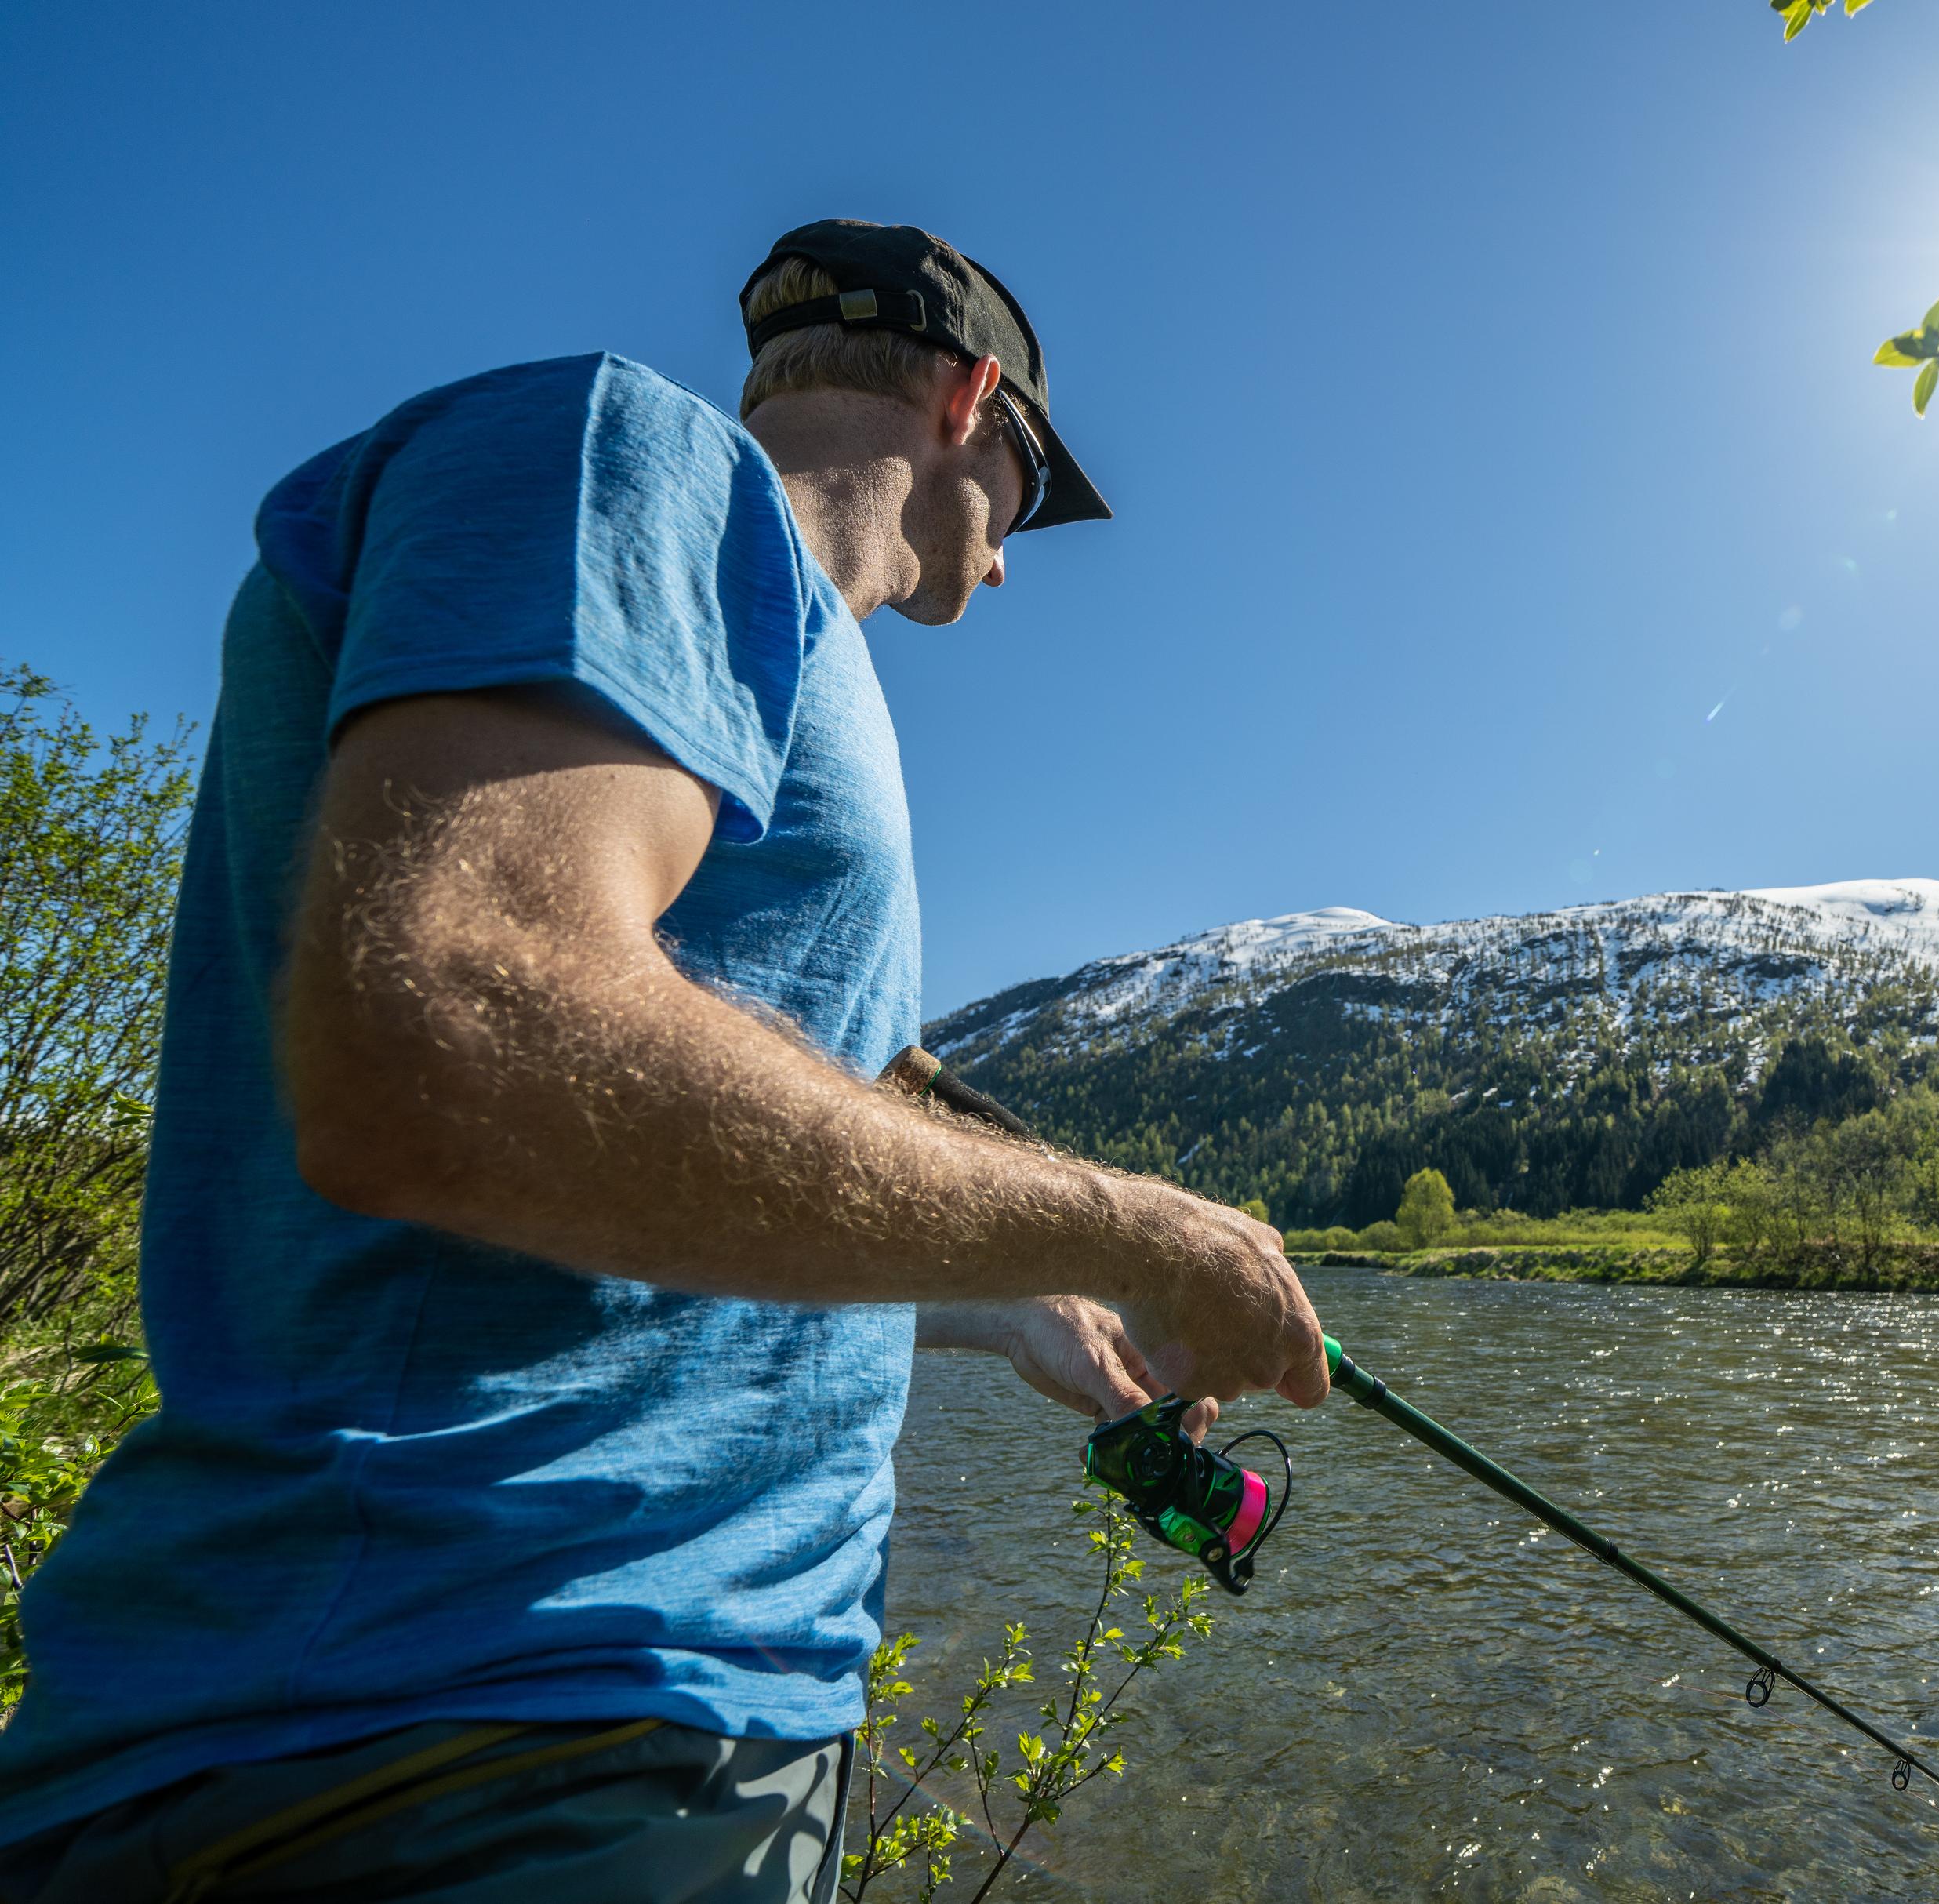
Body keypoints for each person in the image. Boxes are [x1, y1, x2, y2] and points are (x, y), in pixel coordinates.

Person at [0, 219, 1327, 1902]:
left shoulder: (746, 624)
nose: (1007, 558)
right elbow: (459, 1037)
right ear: (968, 396)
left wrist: (998, 1295)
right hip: (488, 1728)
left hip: (589, 1730)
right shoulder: (630, 452)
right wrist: (1126, 1228)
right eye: (1029, 489)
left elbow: (600, 1183)